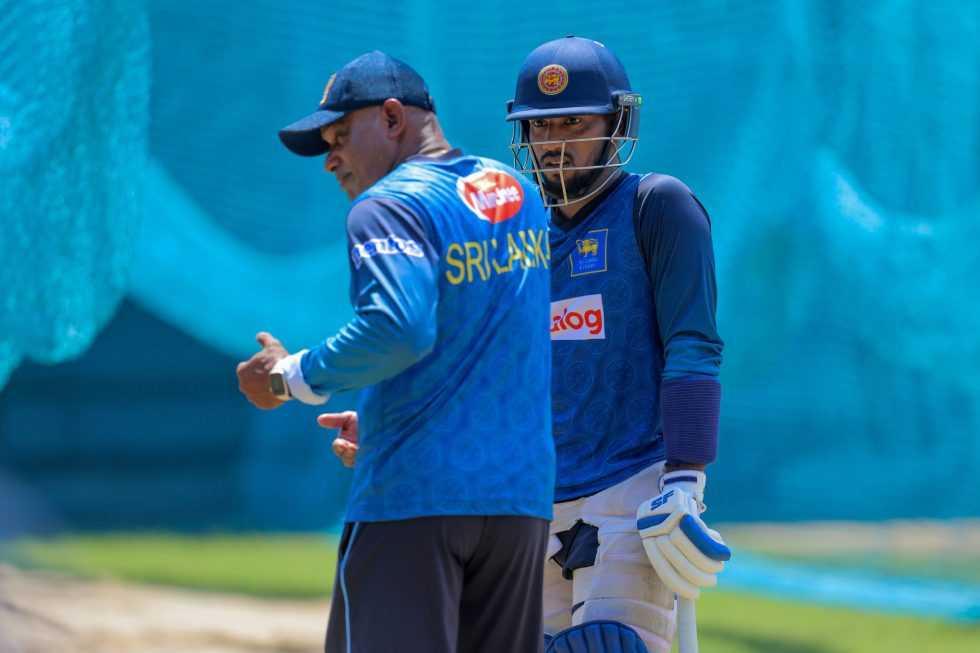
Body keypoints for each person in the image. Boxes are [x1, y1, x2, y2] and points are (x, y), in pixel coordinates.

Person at [235, 50, 555, 653]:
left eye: (339, 136)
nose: (330, 159)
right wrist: (387, 418)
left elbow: (398, 329)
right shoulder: (518, 192)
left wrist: (286, 377)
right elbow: (493, 342)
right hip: (519, 503)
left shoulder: (388, 203)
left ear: (390, 118)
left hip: (413, 499)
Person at [504, 36, 731, 653]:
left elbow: (693, 343)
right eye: (541, 126)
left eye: (574, 123)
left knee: (609, 646)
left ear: (616, 124)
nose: (554, 142)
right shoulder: (519, 233)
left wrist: (685, 477)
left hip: (633, 487)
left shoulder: (656, 205)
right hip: (534, 496)